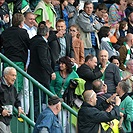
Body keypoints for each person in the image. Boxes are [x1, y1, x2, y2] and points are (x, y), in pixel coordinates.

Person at [27, 23, 56, 121]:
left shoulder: (35, 40)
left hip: (34, 73)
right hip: (40, 75)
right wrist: (51, 71)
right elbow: (43, 60)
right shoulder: (41, 43)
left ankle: (33, 117)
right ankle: (34, 119)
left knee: (37, 98)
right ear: (47, 33)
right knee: (38, 98)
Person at [1, 13, 30, 94]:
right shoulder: (23, 32)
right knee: (16, 86)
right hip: (19, 62)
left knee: (6, 84)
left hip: (7, 61)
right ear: (21, 23)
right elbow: (29, 45)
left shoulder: (5, 32)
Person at [50, 56, 79, 133]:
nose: (60, 65)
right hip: (58, 101)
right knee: (62, 122)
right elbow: (51, 85)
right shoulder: (56, 74)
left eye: (63, 63)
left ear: (67, 65)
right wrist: (54, 95)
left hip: (69, 101)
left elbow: (79, 85)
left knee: (70, 122)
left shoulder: (74, 74)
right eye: (60, 63)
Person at [0, 67, 24, 133]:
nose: (14, 78)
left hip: (7, 120)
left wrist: (19, 107)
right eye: (12, 75)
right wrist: (1, 110)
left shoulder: (13, 88)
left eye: (15, 75)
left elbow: (16, 99)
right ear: (5, 75)